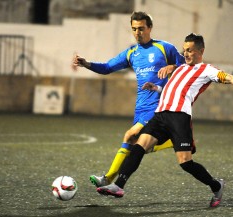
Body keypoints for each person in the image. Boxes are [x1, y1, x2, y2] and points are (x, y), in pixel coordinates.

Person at [96, 33, 233, 207]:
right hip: (160, 115)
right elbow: (174, 89)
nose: (186, 54)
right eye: (184, 50)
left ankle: (216, 186)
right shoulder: (180, 68)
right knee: (138, 146)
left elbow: (232, 78)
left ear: (201, 51)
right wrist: (157, 89)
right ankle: (118, 186)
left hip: (179, 117)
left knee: (185, 163)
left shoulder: (208, 70)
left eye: (190, 50)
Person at [72, 11, 185, 187]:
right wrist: (87, 64)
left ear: (150, 28)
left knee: (130, 135)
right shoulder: (131, 53)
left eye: (141, 29)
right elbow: (108, 67)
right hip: (140, 107)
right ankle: (172, 141)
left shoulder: (165, 48)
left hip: (158, 104)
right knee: (136, 145)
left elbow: (186, 68)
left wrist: (173, 66)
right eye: (134, 29)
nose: (137, 33)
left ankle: (108, 179)